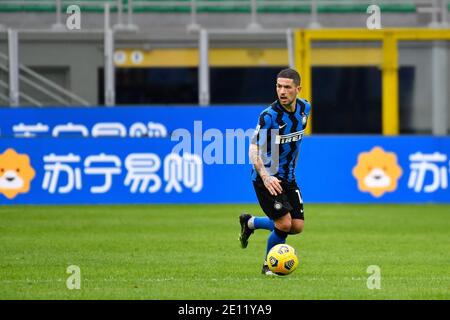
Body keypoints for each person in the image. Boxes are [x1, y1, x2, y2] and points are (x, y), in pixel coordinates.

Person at [239, 68, 311, 276]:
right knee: (284, 223)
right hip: (266, 178)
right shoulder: (269, 116)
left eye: (287, 87)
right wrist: (265, 175)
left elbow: (298, 141)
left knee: (296, 226)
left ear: (298, 89)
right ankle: (268, 265)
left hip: (288, 177)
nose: (282, 91)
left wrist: (292, 167)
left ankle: (250, 222)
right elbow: (253, 148)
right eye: (279, 86)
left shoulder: (305, 108)